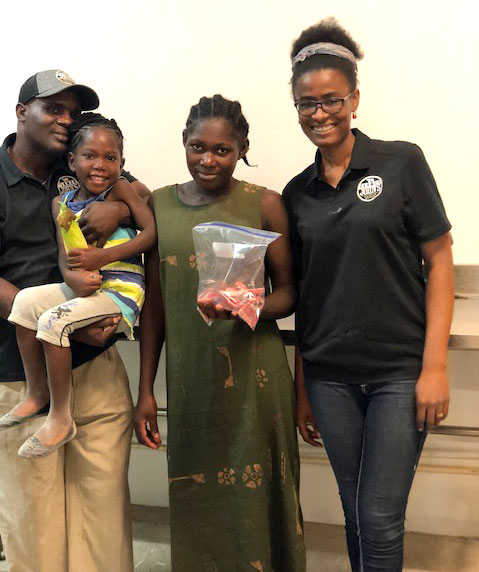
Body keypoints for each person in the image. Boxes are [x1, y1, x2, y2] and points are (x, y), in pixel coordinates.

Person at [283, 19, 454, 572]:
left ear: (354, 99)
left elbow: (440, 260)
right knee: (355, 513)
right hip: (330, 376)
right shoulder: (296, 193)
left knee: (380, 517)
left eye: (332, 100)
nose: (320, 113)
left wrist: (433, 368)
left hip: (398, 374)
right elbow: (306, 296)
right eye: (307, 104)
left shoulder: (400, 162)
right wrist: (302, 388)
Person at [135, 94, 306, 571]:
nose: (207, 160)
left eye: (221, 150)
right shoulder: (160, 205)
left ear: (242, 148)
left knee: (264, 495)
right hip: (189, 378)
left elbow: (291, 294)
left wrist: (249, 303)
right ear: (184, 145)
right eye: (197, 147)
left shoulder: (265, 204)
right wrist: (146, 390)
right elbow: (156, 305)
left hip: (256, 376)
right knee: (197, 495)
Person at [0, 70, 147, 571]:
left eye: (72, 110)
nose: (66, 120)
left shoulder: (85, 171)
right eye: (53, 108)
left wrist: (122, 194)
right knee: (35, 529)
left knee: (103, 526)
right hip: (20, 375)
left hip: (99, 369)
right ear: (22, 112)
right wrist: (56, 319)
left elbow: (141, 206)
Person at [1, 112, 156, 459]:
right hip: (86, 286)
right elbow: (64, 254)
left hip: (121, 291)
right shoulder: (62, 203)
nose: (99, 165)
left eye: (110, 158)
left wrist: (104, 252)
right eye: (89, 156)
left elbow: (151, 233)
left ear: (121, 162)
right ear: (71, 161)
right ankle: (37, 393)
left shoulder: (120, 187)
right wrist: (71, 276)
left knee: (52, 321)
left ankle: (60, 416)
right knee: (25, 304)